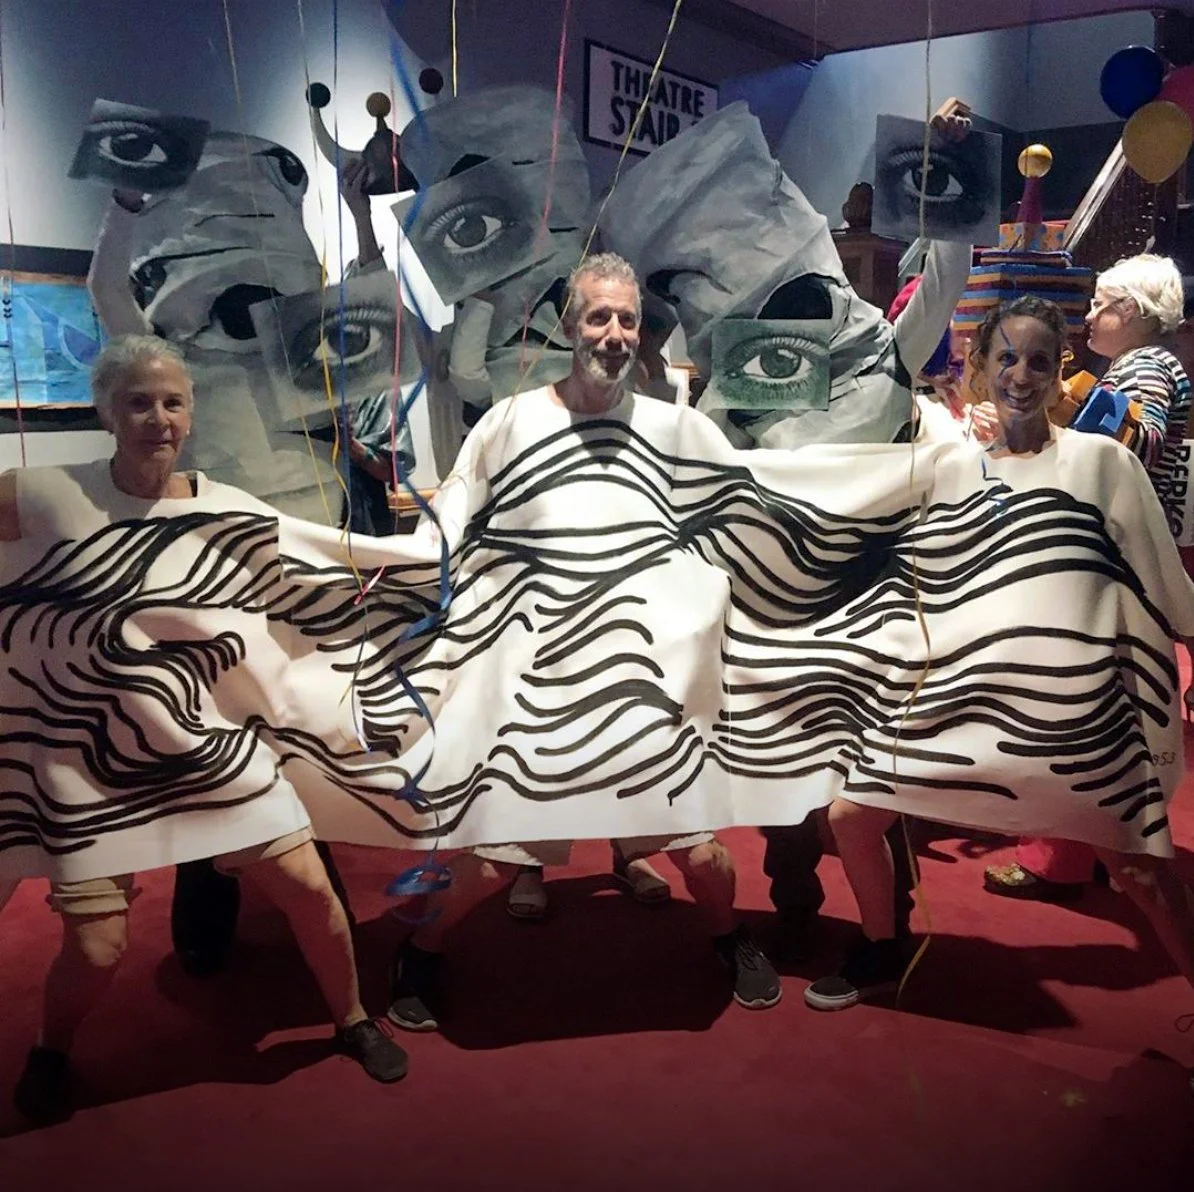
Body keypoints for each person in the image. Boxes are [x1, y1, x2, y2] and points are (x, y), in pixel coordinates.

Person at [3, 336, 408, 1120]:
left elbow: (326, 563)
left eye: (173, 402)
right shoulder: (49, 494)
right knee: (96, 946)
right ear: (106, 411)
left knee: (311, 893)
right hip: (89, 763)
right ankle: (51, 1051)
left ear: (191, 413)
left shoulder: (227, 509)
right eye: (138, 402)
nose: (158, 419)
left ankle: (353, 1020)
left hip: (207, 750)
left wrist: (434, 560)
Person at [387, 254, 782, 1027]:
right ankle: (420, 953)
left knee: (699, 850)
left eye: (626, 320)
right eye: (597, 317)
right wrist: (403, 565)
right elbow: (459, 511)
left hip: (646, 673)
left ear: (641, 335)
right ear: (569, 327)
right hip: (541, 670)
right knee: (501, 851)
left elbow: (752, 510)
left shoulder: (678, 429)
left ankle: (732, 939)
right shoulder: (509, 421)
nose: (612, 334)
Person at [804, 296, 1194, 1011]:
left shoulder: (1102, 463)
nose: (1021, 374)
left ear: (1059, 372)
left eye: (1040, 361)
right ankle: (883, 947)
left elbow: (1163, 578)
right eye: (1006, 358)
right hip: (960, 696)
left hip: (1073, 713)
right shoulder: (949, 466)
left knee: (1139, 869)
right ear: (980, 367)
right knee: (854, 814)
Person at [985, 255, 1192, 902]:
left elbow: (1142, 443)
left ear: (1130, 312)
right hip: (1130, 552)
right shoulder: (1146, 366)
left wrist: (1071, 411)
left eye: (1101, 305)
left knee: (1073, 704)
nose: (1091, 317)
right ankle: (1081, 851)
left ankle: (1062, 858)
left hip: (1120, 554)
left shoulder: (1147, 367)